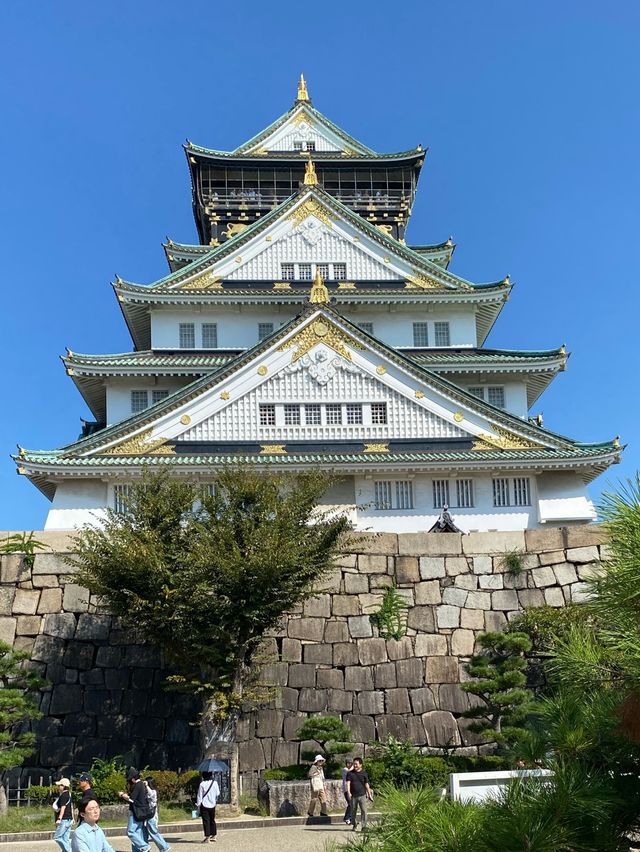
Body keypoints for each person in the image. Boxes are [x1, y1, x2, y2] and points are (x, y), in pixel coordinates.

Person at [118, 767, 151, 852]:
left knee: (131, 832)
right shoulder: (142, 784)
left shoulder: (137, 785)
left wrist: (122, 795)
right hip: (141, 811)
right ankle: (139, 849)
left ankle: (144, 846)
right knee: (138, 832)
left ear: (133, 779)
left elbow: (132, 799)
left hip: (136, 811)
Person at [346, 757, 373, 832]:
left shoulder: (364, 773)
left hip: (362, 795)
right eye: (354, 764)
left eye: (356, 764)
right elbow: (348, 783)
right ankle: (354, 825)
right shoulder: (350, 773)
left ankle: (364, 826)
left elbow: (366, 784)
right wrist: (349, 792)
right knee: (353, 811)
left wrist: (369, 794)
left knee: (364, 811)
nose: (354, 765)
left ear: (361, 765)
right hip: (353, 796)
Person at [144, 777, 171, 851]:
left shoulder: (153, 791)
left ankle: (164, 846)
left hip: (152, 816)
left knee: (154, 832)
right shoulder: (146, 792)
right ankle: (145, 848)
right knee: (145, 833)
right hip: (147, 815)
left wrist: (146, 786)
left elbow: (151, 794)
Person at [196, 770, 220, 843]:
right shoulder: (215, 783)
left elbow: (199, 796)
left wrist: (198, 806)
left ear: (203, 776)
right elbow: (218, 793)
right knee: (212, 820)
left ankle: (207, 837)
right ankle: (214, 835)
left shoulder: (202, 784)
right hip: (213, 804)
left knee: (206, 821)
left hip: (204, 805)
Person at [53, 776, 73, 852]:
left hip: (64, 819)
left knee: (57, 837)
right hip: (68, 819)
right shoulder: (68, 794)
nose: (58, 787)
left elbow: (63, 808)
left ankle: (69, 851)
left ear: (64, 786)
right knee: (65, 839)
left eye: (60, 785)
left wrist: (59, 819)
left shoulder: (64, 795)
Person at [341, 758, 353, 825]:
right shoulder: (345, 769)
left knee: (352, 804)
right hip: (346, 789)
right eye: (349, 763)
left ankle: (350, 818)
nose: (350, 764)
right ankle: (347, 818)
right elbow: (349, 773)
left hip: (352, 789)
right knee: (351, 803)